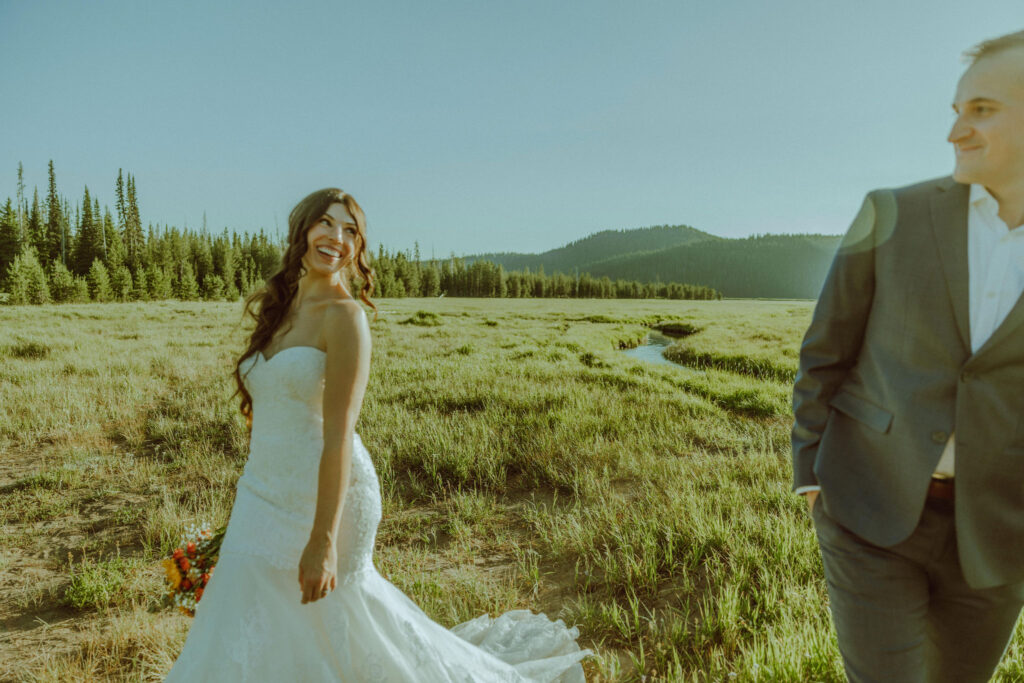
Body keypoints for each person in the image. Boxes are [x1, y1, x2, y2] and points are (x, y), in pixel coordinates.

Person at [165, 188, 590, 682]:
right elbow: (275, 414)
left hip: (331, 500)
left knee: (340, 622)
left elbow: (340, 434)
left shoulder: (346, 319)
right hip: (261, 495)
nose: (337, 238)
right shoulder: (279, 310)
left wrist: (323, 540)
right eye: (326, 223)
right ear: (302, 229)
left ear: (358, 248)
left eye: (351, 231)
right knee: (248, 618)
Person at [792, 30, 1024, 682]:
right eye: (955, 111)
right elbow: (825, 353)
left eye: (981, 110)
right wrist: (810, 472)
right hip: (868, 506)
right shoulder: (890, 212)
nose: (955, 132)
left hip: (1000, 536)